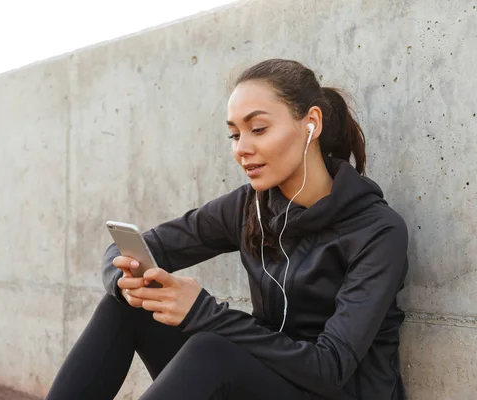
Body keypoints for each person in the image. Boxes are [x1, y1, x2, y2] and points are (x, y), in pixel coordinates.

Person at [46, 59, 409, 400]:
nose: (242, 149)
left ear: (310, 123)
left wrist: (205, 313)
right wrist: (122, 277)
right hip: (261, 379)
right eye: (235, 135)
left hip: (335, 390)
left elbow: (330, 368)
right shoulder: (249, 205)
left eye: (259, 129)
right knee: (128, 305)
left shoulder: (377, 231)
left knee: (212, 350)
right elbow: (141, 245)